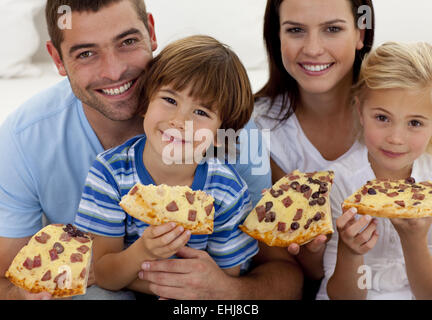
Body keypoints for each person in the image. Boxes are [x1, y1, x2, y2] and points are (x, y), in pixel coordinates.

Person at [0, 0, 271, 300]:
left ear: (151, 32)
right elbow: (12, 278)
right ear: (58, 59)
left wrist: (224, 292)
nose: (115, 71)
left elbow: (262, 270)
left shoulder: (236, 137)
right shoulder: (27, 141)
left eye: (127, 41)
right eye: (86, 53)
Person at [74, 35, 260, 297]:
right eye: (170, 100)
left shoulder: (227, 190)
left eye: (201, 113)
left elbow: (223, 281)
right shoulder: (110, 173)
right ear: (146, 101)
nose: (179, 120)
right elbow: (103, 272)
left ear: (220, 132)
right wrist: (144, 251)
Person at [252, 0, 375, 297]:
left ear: (360, 33)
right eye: (295, 30)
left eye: (332, 29)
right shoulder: (254, 131)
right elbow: (307, 271)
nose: (313, 48)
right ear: (276, 37)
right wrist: (311, 252)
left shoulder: (401, 118)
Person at [317, 41, 432, 300]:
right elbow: (343, 296)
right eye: (382, 118)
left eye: (415, 122)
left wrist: (414, 242)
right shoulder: (338, 183)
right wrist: (351, 252)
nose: (395, 138)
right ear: (360, 111)